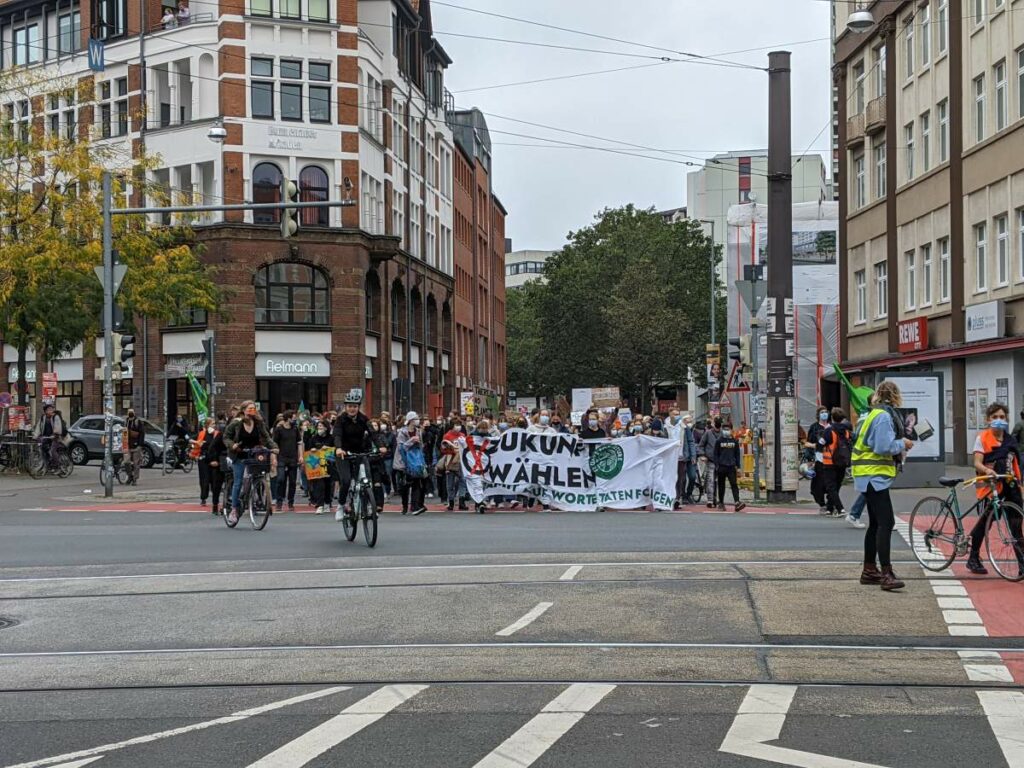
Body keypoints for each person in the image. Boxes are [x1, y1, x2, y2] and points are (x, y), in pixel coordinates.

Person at [852, 381, 913, 591]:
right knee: (886, 523)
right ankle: (886, 573)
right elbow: (883, 446)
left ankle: (869, 570)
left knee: (876, 524)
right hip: (874, 476)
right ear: (895, 396)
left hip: (866, 476)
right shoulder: (884, 417)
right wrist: (903, 444)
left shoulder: (871, 414)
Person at [969, 402, 1024, 575]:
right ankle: (973, 557)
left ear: (1006, 418)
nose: (998, 420)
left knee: (1016, 526)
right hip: (991, 487)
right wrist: (987, 470)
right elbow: (977, 461)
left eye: (1001, 417)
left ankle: (1022, 564)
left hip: (1010, 486)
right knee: (986, 522)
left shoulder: (1010, 441)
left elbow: (1015, 464)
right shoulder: (982, 438)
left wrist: (1020, 484)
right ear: (988, 420)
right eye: (995, 417)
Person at [222, 402, 278, 526]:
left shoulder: (258, 423)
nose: (252, 411)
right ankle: (234, 509)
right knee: (238, 481)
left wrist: (274, 447)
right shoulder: (236, 423)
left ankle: (254, 495)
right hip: (239, 454)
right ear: (244, 410)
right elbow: (226, 437)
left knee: (258, 474)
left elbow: (267, 437)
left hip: (254, 453)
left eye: (254, 408)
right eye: (250, 409)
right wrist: (233, 445)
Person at [333, 392, 385, 520]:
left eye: (355, 406)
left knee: (367, 480)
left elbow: (373, 434)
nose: (352, 409)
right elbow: (337, 435)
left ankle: (368, 506)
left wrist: (380, 446)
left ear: (358, 407)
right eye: (350, 406)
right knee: (345, 480)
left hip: (360, 453)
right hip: (344, 453)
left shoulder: (363, 419)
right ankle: (340, 506)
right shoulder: (341, 420)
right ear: (346, 407)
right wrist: (339, 448)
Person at [816, 407, 852, 518]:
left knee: (831, 487)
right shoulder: (846, 431)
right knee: (837, 485)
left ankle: (840, 508)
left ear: (832, 417)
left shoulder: (829, 431)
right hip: (842, 462)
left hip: (829, 462)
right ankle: (830, 508)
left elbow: (820, 444)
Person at [394, 411, 428, 515]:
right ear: (410, 421)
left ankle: (415, 506)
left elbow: (421, 447)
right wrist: (412, 440)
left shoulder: (419, 431)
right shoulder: (402, 432)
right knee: (405, 486)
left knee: (416, 484)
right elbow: (401, 447)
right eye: (415, 419)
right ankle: (404, 506)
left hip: (416, 461)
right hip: (404, 462)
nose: (417, 420)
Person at [272, 410, 302, 512]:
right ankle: (279, 501)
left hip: (293, 457)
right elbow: (274, 444)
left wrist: (300, 456)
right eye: (293, 418)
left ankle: (291, 502)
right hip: (281, 457)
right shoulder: (279, 430)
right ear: (288, 418)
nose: (294, 420)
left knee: (293, 481)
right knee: (280, 479)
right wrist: (274, 458)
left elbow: (299, 443)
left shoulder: (295, 429)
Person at [666, 408, 696, 507]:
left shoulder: (684, 427)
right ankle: (671, 496)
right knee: (671, 478)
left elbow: (691, 441)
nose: (677, 416)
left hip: (681, 456)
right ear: (670, 414)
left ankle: (677, 498)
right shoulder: (665, 427)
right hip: (670, 457)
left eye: (678, 414)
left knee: (680, 478)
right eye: (674, 414)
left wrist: (692, 455)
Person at [714, 422, 745, 511]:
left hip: (731, 467)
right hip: (721, 467)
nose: (726, 431)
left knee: (734, 484)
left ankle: (737, 502)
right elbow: (715, 454)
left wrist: (738, 467)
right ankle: (721, 503)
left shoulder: (734, 441)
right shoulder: (719, 441)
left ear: (731, 430)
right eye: (724, 429)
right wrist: (717, 465)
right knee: (721, 485)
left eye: (728, 429)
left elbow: (737, 455)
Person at [306, 418, 334, 515]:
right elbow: (308, 449)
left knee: (328, 484)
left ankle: (327, 502)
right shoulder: (314, 438)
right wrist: (313, 449)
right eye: (318, 427)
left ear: (326, 428)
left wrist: (329, 448)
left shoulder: (331, 438)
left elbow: (335, 449)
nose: (319, 428)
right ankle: (320, 505)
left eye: (321, 427)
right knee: (319, 484)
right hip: (316, 464)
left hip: (328, 463)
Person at [439, 418, 468, 511]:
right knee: (450, 483)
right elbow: (443, 449)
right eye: (456, 425)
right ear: (452, 426)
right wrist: (452, 448)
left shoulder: (462, 435)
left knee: (462, 480)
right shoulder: (447, 436)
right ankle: (451, 501)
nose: (458, 427)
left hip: (461, 461)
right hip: (450, 460)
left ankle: (461, 501)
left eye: (459, 425)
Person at [806, 406, 830, 514]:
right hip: (819, 459)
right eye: (822, 412)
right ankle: (822, 504)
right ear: (818, 415)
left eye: (826, 412)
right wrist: (810, 458)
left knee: (831, 484)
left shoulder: (832, 427)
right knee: (817, 485)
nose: (824, 414)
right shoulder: (814, 427)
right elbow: (807, 443)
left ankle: (831, 505)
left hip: (831, 460)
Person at [193, 417, 218, 506]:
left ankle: (215, 499)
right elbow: (195, 443)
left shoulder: (216, 434)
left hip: (213, 458)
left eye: (214, 424)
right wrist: (196, 452)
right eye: (212, 424)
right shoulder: (202, 433)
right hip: (203, 459)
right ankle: (203, 497)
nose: (214, 426)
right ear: (207, 425)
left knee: (214, 479)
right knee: (204, 479)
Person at [206, 419, 228, 516]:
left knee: (230, 484)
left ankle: (227, 505)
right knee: (217, 485)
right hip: (220, 461)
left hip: (229, 460)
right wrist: (213, 460)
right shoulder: (220, 436)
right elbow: (212, 448)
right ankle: (215, 505)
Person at [699, 418, 722, 509]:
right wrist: (702, 455)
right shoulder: (708, 433)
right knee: (710, 480)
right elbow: (701, 445)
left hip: (721, 461)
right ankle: (710, 500)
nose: (718, 429)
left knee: (719, 481)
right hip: (710, 460)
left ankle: (719, 499)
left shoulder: (723, 434)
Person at [35, 403, 65, 469]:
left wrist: (55, 434)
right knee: (43, 449)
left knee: (52, 450)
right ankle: (47, 463)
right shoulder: (43, 418)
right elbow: (38, 427)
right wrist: (35, 435)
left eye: (51, 409)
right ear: (45, 411)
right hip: (46, 436)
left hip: (55, 437)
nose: (50, 411)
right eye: (48, 410)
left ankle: (58, 466)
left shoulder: (55, 417)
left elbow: (58, 426)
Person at [123, 409, 143, 484]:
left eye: (131, 412)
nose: (130, 413)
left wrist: (140, 444)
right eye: (129, 412)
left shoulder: (138, 421)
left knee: (136, 463)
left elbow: (142, 433)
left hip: (136, 445)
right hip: (127, 445)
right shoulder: (126, 421)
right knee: (126, 462)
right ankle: (130, 475)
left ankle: (135, 479)